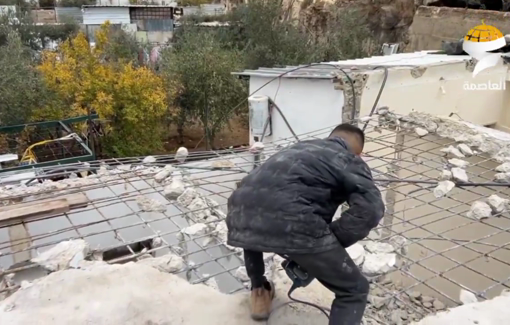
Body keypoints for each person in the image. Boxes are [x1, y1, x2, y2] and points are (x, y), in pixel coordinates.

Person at [226, 123, 385, 325]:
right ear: (359, 152)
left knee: (256, 215)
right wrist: (331, 242)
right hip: (296, 222)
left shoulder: (294, 149)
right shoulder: (348, 159)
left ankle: (259, 292)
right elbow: (371, 210)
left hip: (239, 210)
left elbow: (258, 189)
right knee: (354, 290)